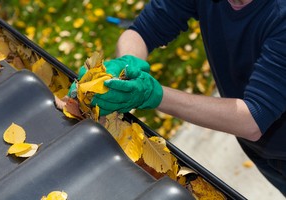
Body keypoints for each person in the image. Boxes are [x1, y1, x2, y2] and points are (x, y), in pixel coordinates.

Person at [70, 0, 286, 195]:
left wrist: (153, 94)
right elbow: (142, 31)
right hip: (263, 150)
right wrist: (127, 65)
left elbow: (252, 118)